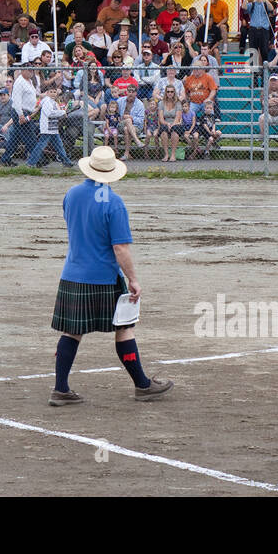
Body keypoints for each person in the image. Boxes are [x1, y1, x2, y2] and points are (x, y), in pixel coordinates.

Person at [48, 145, 172, 406]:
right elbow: (120, 248)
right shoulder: (114, 203)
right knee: (125, 329)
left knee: (71, 332)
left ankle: (60, 389)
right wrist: (133, 279)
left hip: (72, 273)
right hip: (104, 276)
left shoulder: (71, 194)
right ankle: (142, 385)